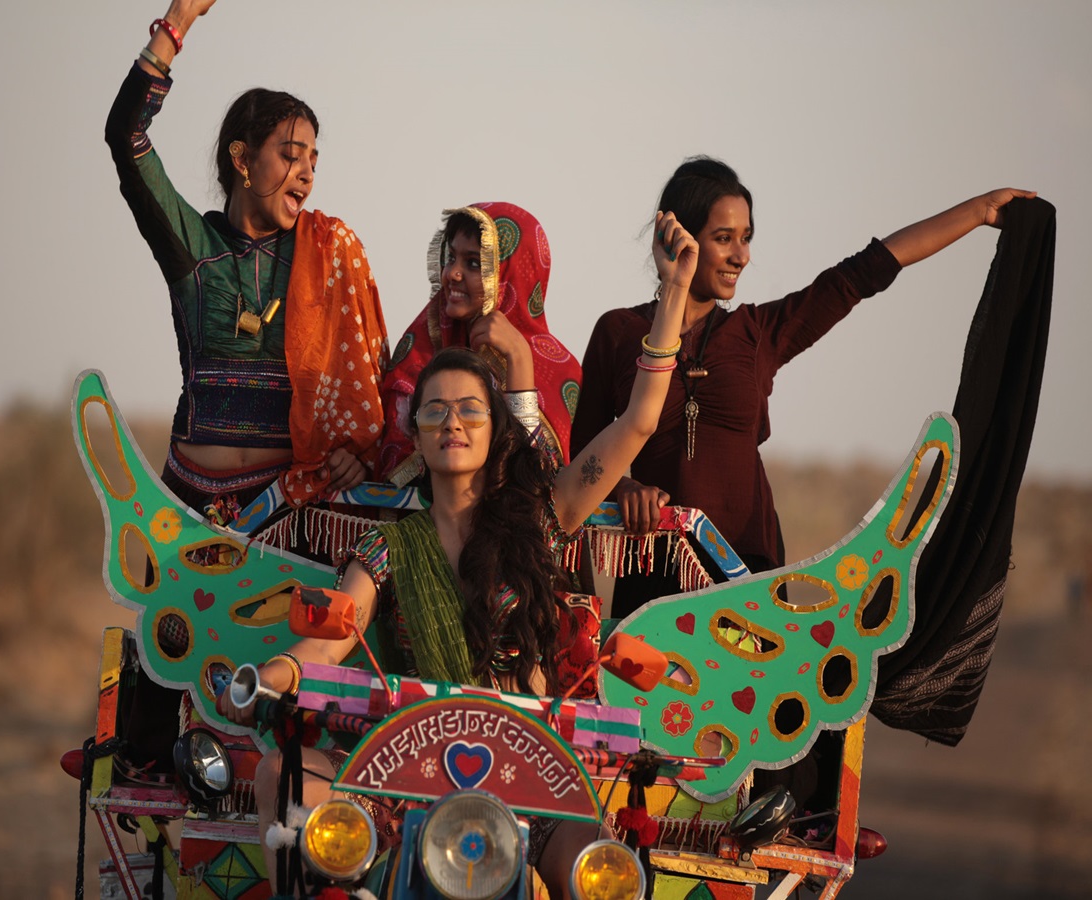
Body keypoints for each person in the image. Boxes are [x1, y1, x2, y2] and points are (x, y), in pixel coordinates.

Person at [221, 210, 701, 899]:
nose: (452, 423)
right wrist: (267, 676)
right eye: (434, 411)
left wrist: (674, 291)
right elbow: (327, 642)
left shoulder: (544, 518)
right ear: (412, 434)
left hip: (531, 779)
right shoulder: (390, 544)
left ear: (497, 426)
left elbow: (641, 419)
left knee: (604, 870)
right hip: (408, 774)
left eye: (470, 410)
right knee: (281, 774)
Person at [105, 0, 387, 771]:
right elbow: (126, 141)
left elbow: (371, 388)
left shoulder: (328, 256)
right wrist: (174, 26)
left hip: (289, 508)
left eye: (314, 159)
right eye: (290, 152)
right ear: (241, 158)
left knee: (276, 682)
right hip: (186, 501)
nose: (305, 171)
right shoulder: (192, 246)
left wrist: (360, 453)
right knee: (160, 666)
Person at [571, 155, 1034, 617]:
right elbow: (579, 459)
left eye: (747, 238)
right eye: (724, 238)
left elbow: (862, 274)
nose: (742, 256)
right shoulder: (618, 333)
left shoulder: (759, 333)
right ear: (679, 238)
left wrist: (978, 212)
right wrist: (623, 489)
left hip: (745, 577)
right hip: (651, 580)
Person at [377, 202, 582, 487]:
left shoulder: (560, 371)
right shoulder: (422, 344)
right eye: (451, 258)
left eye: (473, 263)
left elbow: (540, 479)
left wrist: (519, 360)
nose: (452, 274)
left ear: (511, 274)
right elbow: (395, 467)